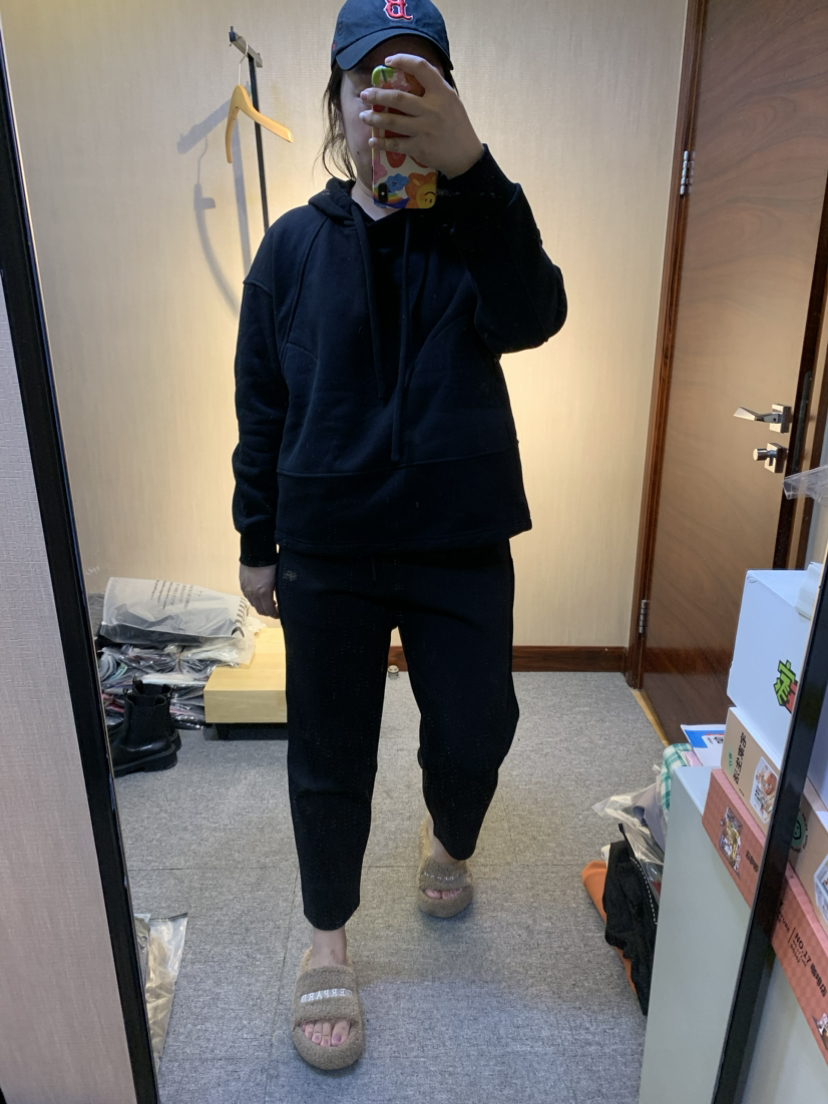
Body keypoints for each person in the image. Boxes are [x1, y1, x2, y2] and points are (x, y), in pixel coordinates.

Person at [231, 0, 566, 1070]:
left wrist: (474, 170)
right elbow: (261, 404)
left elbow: (537, 313)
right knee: (328, 750)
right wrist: (255, 538)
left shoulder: (477, 229)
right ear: (336, 103)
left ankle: (448, 832)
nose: (391, 105)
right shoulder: (291, 249)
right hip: (326, 542)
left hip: (458, 536)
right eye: (370, 82)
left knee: (478, 726)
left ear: (450, 102)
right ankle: (327, 935)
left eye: (420, 81)